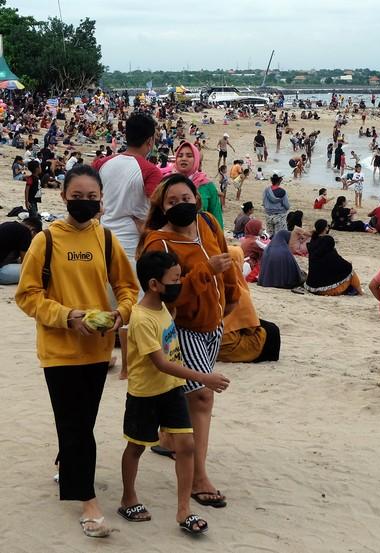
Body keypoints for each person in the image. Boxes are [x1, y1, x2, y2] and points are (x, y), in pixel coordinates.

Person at [15, 165, 139, 538]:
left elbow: (128, 287)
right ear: (64, 196)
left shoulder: (106, 239)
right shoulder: (46, 241)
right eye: (77, 196)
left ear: (101, 199)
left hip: (98, 349)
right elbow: (27, 295)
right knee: (76, 426)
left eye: (92, 197)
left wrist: (121, 314)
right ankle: (87, 502)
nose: (85, 203)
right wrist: (67, 316)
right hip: (59, 350)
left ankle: (67, 463)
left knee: (80, 422)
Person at [138, 173, 241, 509]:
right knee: (201, 397)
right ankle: (198, 477)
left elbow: (225, 259)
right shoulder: (159, 244)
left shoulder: (207, 222)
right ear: (162, 207)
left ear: (197, 200)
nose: (181, 206)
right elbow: (167, 297)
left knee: (181, 395)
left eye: (186, 199)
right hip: (182, 327)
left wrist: (232, 293)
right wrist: (205, 272)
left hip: (212, 323)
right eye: (172, 202)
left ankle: (169, 439)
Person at [121, 251, 230, 533]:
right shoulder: (142, 317)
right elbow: (160, 362)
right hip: (146, 394)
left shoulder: (164, 308)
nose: (180, 283)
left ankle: (184, 511)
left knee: (186, 446)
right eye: (176, 279)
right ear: (155, 284)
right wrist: (204, 378)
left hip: (172, 391)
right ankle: (128, 497)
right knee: (136, 447)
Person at [92, 112, 161, 260]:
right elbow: (158, 207)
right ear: (150, 141)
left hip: (101, 237)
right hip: (131, 244)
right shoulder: (150, 171)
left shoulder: (101, 163)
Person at [219, 246, 281, 362]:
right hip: (225, 345)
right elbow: (250, 328)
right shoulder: (237, 290)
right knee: (272, 332)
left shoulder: (214, 282)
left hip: (207, 340)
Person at [169, 141, 224, 229]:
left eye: (189, 156)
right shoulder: (167, 183)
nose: (183, 158)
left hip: (202, 237)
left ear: (197, 160)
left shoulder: (207, 186)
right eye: (180, 156)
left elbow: (216, 217)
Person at [305, 219, 363, 296]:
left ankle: (352, 289)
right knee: (349, 269)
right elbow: (342, 264)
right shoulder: (328, 248)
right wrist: (348, 264)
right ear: (325, 228)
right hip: (328, 290)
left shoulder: (313, 244)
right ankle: (360, 292)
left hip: (311, 286)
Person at [0, 217, 42, 285]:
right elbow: (25, 262)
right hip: (1, 274)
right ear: (33, 231)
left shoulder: (8, 224)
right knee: (34, 269)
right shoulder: (26, 232)